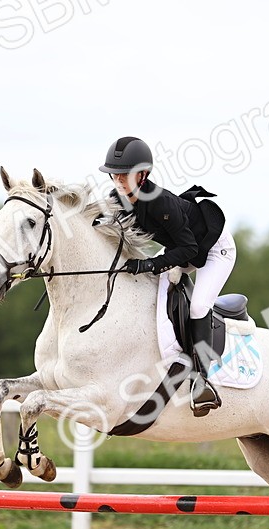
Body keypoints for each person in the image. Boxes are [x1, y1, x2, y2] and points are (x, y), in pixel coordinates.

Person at [99, 135, 234, 416]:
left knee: (198, 306)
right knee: (152, 292)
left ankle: (201, 380)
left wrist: (150, 264)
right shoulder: (116, 199)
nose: (119, 180)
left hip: (213, 250)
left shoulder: (160, 202)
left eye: (125, 174)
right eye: (115, 174)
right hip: (180, 248)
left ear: (143, 175)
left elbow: (190, 249)